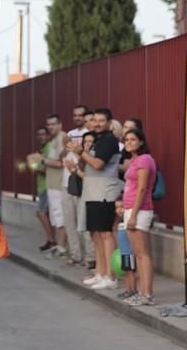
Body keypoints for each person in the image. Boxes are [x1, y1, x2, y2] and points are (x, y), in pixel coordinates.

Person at [67, 108, 121, 290]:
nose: (96, 123)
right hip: (92, 192)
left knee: (105, 234)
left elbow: (98, 164)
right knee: (95, 235)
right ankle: (100, 272)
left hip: (104, 193)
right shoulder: (96, 140)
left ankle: (110, 276)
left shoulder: (109, 140)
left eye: (101, 120)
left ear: (109, 122)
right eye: (94, 120)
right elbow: (88, 163)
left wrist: (81, 152)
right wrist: (79, 154)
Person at [121, 128, 157, 306]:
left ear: (141, 142)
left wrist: (133, 215)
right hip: (130, 209)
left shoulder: (144, 159)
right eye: (126, 139)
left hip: (140, 211)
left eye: (133, 139)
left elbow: (142, 188)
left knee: (142, 253)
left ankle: (147, 294)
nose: (129, 142)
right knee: (137, 253)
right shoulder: (135, 159)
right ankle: (142, 292)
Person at [61, 105, 91, 265]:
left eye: (81, 115)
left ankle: (89, 257)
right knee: (69, 222)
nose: (77, 118)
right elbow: (62, 155)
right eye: (75, 115)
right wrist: (65, 143)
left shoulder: (90, 136)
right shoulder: (69, 134)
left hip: (81, 181)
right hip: (67, 182)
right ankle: (75, 255)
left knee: (83, 223)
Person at [27, 126, 55, 252]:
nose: (41, 137)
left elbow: (46, 169)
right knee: (46, 213)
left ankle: (52, 240)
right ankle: (50, 240)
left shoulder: (49, 147)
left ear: (48, 135)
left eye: (44, 134)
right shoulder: (43, 148)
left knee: (41, 212)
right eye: (39, 134)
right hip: (42, 185)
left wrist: (33, 165)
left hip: (47, 185)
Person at [43, 114, 68, 258]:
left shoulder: (62, 138)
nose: (50, 127)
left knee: (60, 217)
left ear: (60, 124)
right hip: (52, 184)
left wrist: (43, 161)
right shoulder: (53, 140)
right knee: (55, 217)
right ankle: (58, 246)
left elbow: (61, 162)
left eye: (53, 124)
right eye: (49, 124)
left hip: (59, 184)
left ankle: (62, 247)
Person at [115, 198, 137, 299]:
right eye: (117, 207)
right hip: (123, 253)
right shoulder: (119, 224)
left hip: (129, 253)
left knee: (130, 271)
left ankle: (133, 291)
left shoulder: (128, 223)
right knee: (126, 272)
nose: (119, 210)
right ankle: (128, 290)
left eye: (122, 207)